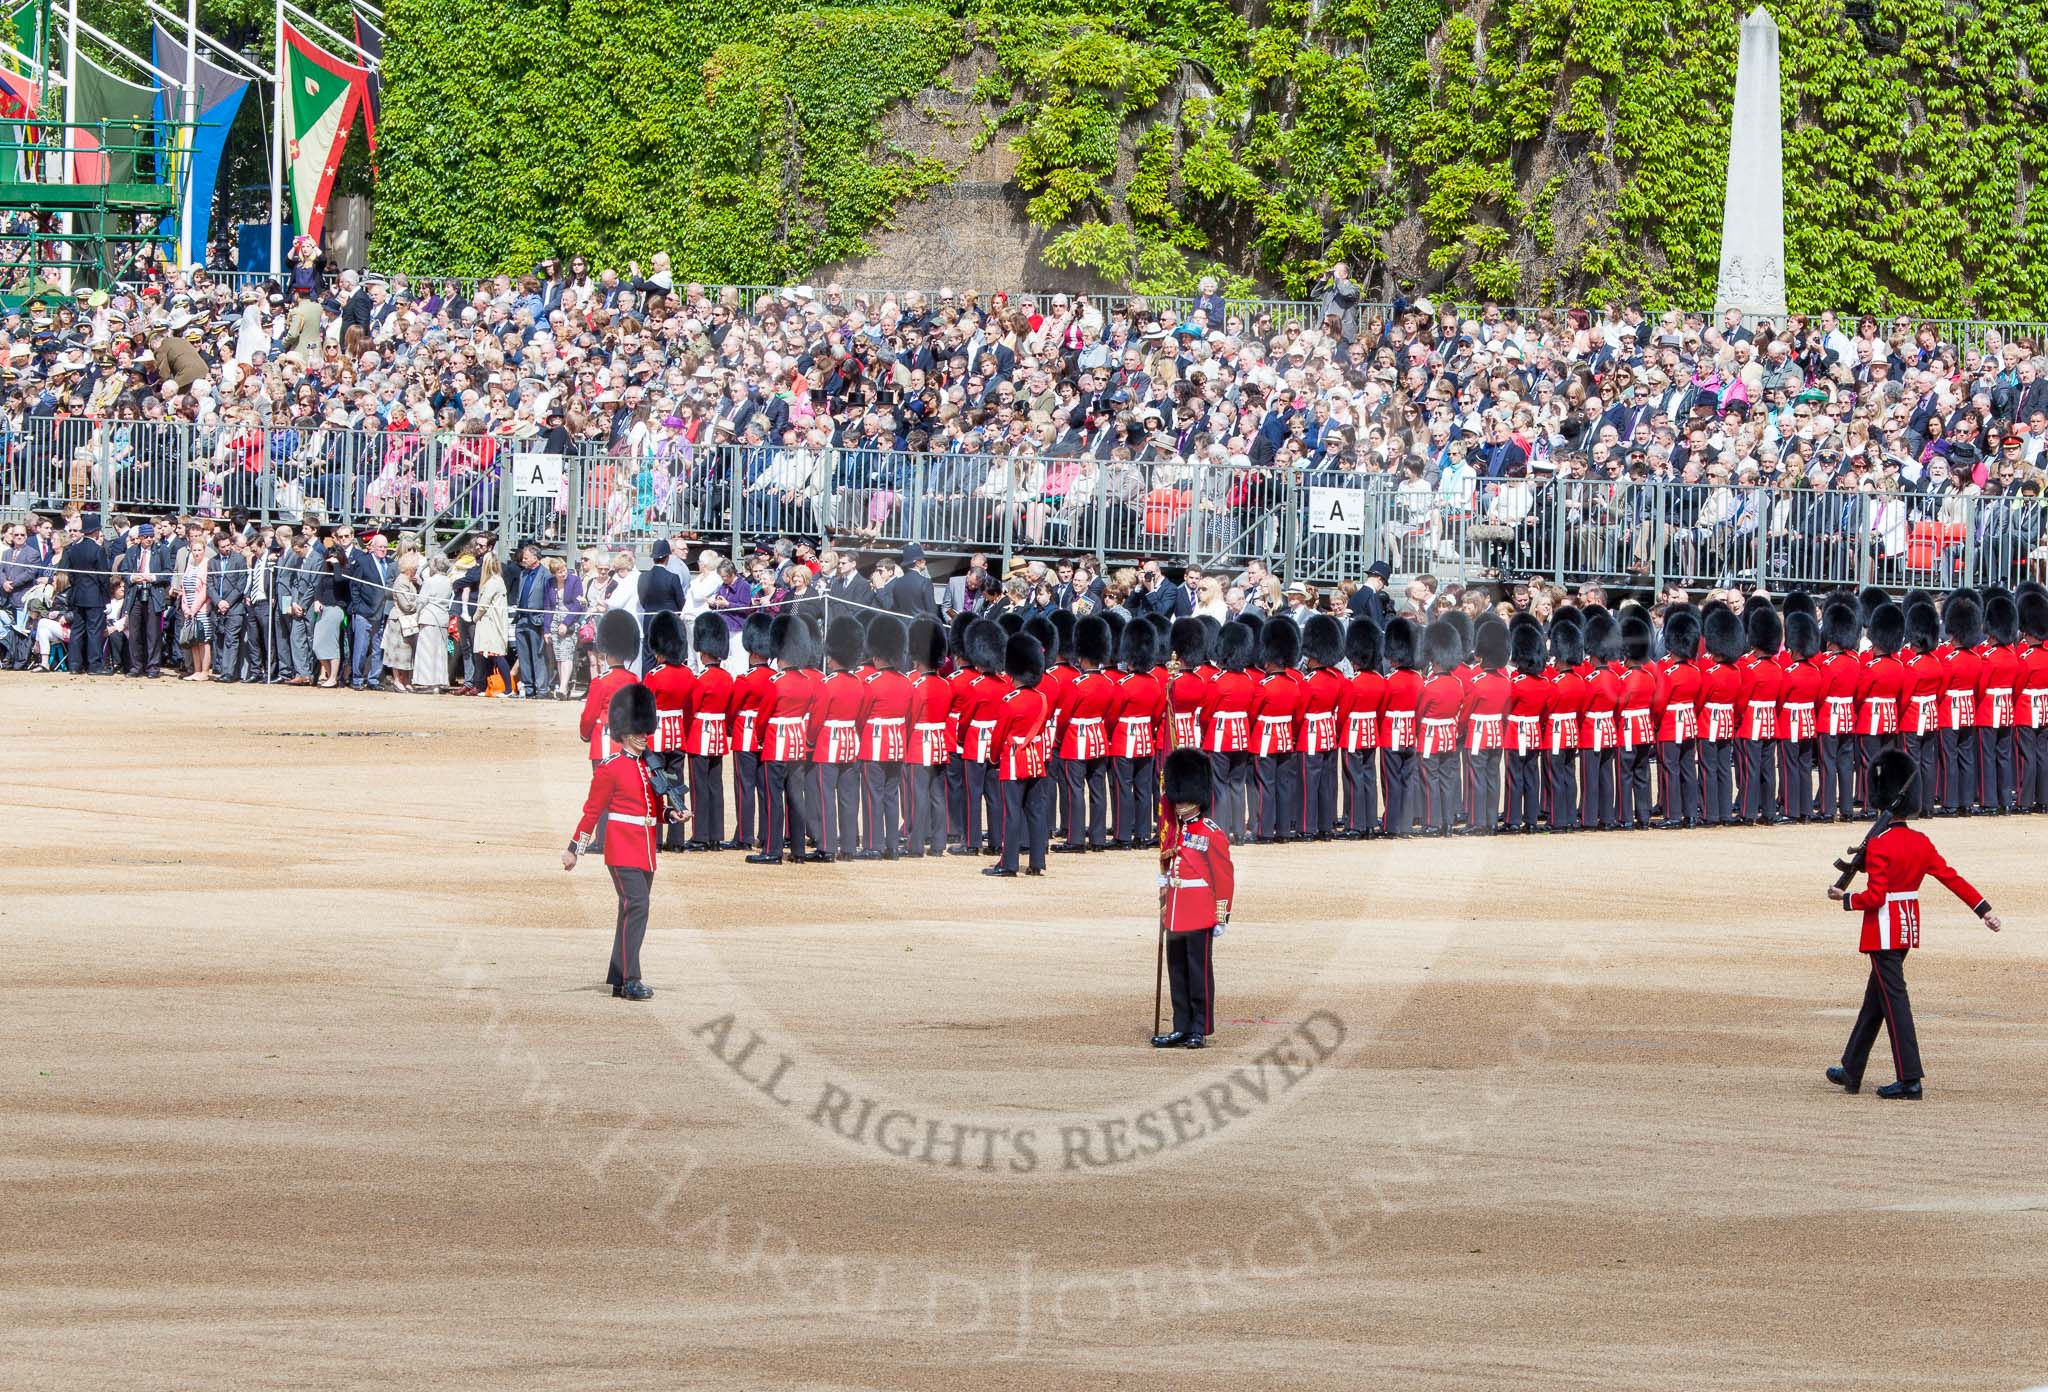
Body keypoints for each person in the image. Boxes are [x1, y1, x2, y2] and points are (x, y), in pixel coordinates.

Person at [1825, 749, 2001, 1099]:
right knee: (1875, 1000)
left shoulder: (1879, 844)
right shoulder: (1920, 842)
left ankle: (1910, 1078)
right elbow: (1952, 878)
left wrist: (1844, 899)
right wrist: (1983, 910)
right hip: (1906, 927)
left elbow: (1874, 897)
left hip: (1883, 930)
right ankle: (1852, 1068)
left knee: (1894, 1004)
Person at [564, 683, 668, 1002]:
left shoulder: (651, 768)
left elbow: (654, 809)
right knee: (637, 905)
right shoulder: (610, 769)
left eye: (644, 730)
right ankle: (632, 977)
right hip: (621, 848)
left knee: (629, 910)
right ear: (624, 732)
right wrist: (574, 849)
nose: (642, 735)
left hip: (646, 848)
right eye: (637, 731)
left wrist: (673, 816)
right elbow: (592, 811)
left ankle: (619, 978)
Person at [1152, 747, 1234, 1050]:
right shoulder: (1176, 832)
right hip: (1175, 910)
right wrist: (1163, 885)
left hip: (1199, 912)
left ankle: (1199, 1027)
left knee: (1198, 972)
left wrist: (1221, 916)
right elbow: (1172, 865)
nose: (1179, 803)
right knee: (1178, 971)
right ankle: (1181, 1025)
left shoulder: (1211, 833)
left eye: (1184, 798)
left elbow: (1224, 879)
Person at [985, 630, 1052, 877]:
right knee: (1035, 812)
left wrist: (993, 758)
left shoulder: (1010, 700)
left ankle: (1009, 863)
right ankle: (1036, 862)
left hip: (1015, 759)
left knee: (1011, 813)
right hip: (1036, 759)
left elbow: (999, 736)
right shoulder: (1042, 699)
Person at [473, 552, 512, 695]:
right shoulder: (497, 580)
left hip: (491, 623)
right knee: (487, 655)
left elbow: (483, 605)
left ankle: (508, 689)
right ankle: (488, 686)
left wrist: (475, 618)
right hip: (489, 623)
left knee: (497, 654)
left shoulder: (492, 583)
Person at [414, 556, 454, 692]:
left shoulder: (430, 581)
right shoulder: (449, 581)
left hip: (429, 617)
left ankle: (430, 683)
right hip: (442, 617)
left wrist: (416, 616)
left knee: (427, 651)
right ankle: (438, 682)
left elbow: (421, 601)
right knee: (439, 652)